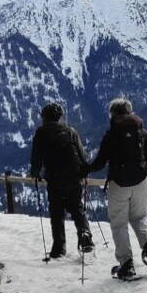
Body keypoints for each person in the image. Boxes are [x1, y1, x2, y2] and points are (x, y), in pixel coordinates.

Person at [87, 98, 147, 281]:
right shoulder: (141, 131)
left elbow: (99, 162)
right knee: (139, 217)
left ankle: (126, 264)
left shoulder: (111, 134)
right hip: (141, 181)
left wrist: (83, 170)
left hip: (119, 184)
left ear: (112, 114)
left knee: (119, 223)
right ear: (130, 112)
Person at [28, 102, 93, 259]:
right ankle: (84, 235)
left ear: (44, 117)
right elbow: (82, 154)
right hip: (74, 177)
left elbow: (36, 156)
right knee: (77, 209)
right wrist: (84, 172)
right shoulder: (70, 131)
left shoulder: (41, 132)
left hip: (54, 178)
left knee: (56, 212)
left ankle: (59, 248)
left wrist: (35, 173)